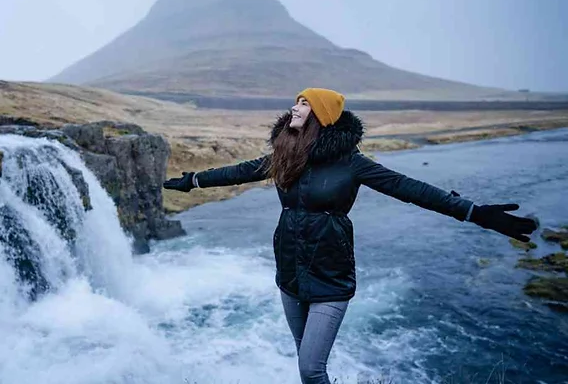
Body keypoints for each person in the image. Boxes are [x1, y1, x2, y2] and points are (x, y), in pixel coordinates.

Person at [163, 88, 539, 384]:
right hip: (290, 275)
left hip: (330, 277)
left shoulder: (352, 163)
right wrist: (194, 180)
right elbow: (240, 171)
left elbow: (410, 188)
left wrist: (474, 212)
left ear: (322, 116)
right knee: (305, 362)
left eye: (304, 103)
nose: (295, 108)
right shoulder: (286, 154)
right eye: (296, 101)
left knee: (311, 369)